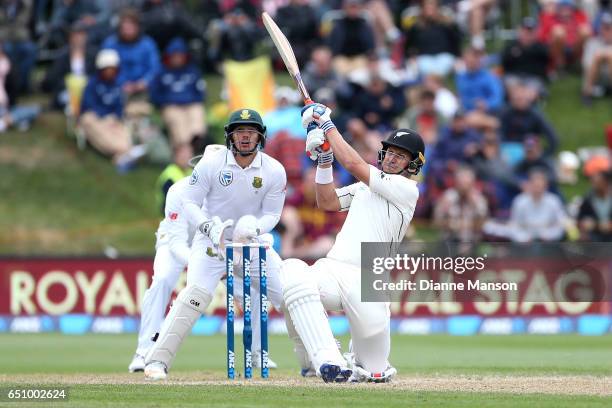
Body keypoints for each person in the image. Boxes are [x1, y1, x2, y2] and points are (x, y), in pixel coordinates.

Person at [280, 103, 424, 382]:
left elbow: (354, 164)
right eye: (391, 152)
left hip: (370, 279)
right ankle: (321, 358)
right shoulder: (363, 188)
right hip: (334, 268)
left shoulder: (407, 190)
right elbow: (327, 201)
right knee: (293, 276)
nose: (393, 158)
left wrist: (327, 125)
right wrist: (324, 161)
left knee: (375, 372)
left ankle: (359, 360)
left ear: (413, 164)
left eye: (401, 156)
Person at [143, 109, 287, 380]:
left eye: (251, 131)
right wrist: (208, 228)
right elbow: (190, 203)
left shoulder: (273, 170)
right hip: (210, 245)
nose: (245, 136)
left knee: (289, 295)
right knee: (195, 296)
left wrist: (254, 228)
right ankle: (156, 360)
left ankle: (319, 360)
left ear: (260, 136)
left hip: (248, 244)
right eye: (239, 131)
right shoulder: (207, 167)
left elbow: (272, 214)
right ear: (230, 136)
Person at [79, 49, 146, 167]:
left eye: (113, 68)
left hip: (112, 118)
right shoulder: (92, 84)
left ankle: (124, 154)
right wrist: (105, 117)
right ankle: (122, 153)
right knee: (97, 129)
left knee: (124, 135)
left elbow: (119, 105)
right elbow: (88, 105)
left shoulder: (116, 85)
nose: (110, 72)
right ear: (101, 69)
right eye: (107, 68)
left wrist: (115, 117)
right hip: (95, 117)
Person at [149, 37, 207, 150]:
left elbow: (200, 92)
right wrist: (166, 101)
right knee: (177, 121)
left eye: (180, 55)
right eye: (174, 55)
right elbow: (154, 94)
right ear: (169, 56)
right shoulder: (161, 72)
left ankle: (197, 141)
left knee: (197, 112)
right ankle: (183, 146)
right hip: (171, 105)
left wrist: (191, 100)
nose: (177, 59)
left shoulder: (192, 70)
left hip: (191, 104)